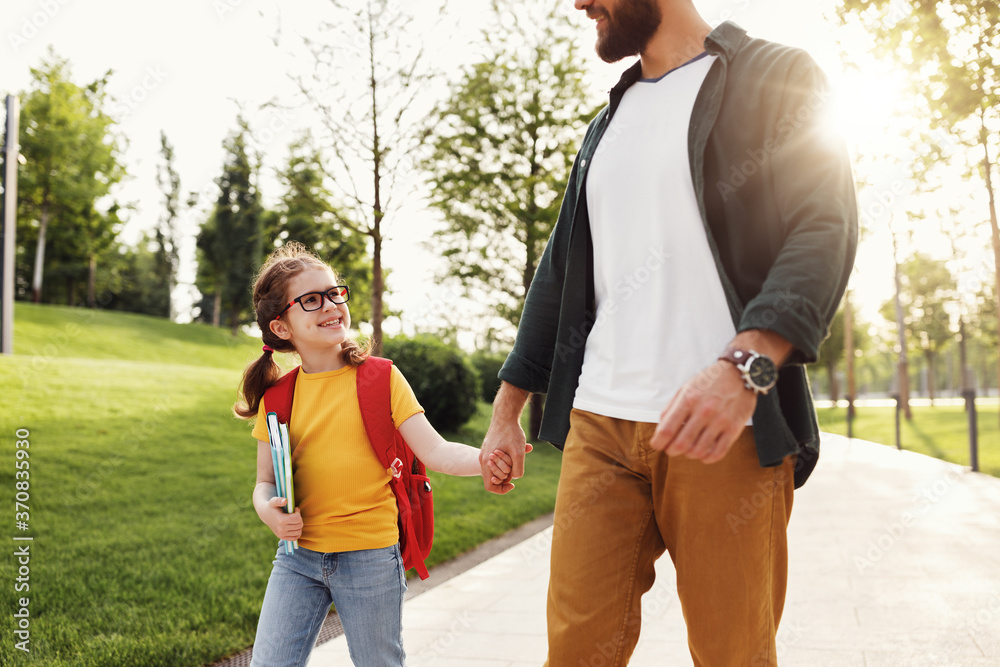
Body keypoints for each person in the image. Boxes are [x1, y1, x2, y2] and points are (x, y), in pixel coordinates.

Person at [478, 1, 858, 665]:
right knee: (575, 652)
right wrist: (507, 409)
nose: (578, 4)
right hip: (599, 425)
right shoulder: (606, 125)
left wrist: (745, 371)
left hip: (724, 430)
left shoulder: (774, 75)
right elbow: (561, 268)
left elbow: (823, 228)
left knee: (732, 653)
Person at [235, 242, 513, 667]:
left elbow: (436, 450)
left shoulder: (382, 378)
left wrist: (484, 459)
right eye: (311, 300)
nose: (330, 305)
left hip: (369, 558)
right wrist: (267, 510)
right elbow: (265, 482)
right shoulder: (277, 398)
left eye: (334, 293)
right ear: (283, 326)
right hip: (297, 560)